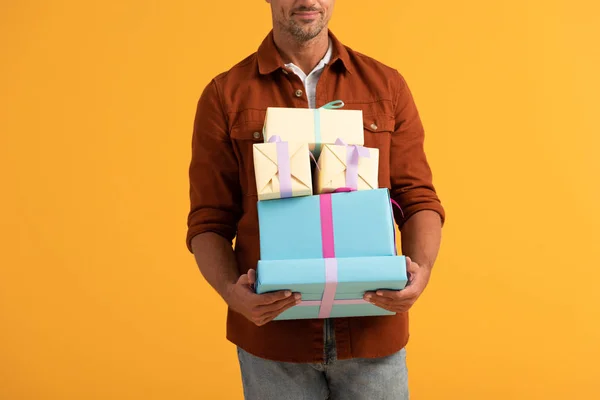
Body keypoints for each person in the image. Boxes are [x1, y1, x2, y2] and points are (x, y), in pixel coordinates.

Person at [186, 1, 445, 398]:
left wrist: (421, 271)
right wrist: (230, 292)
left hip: (373, 331)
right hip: (272, 342)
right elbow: (208, 220)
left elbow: (418, 198)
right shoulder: (226, 95)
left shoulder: (386, 86)